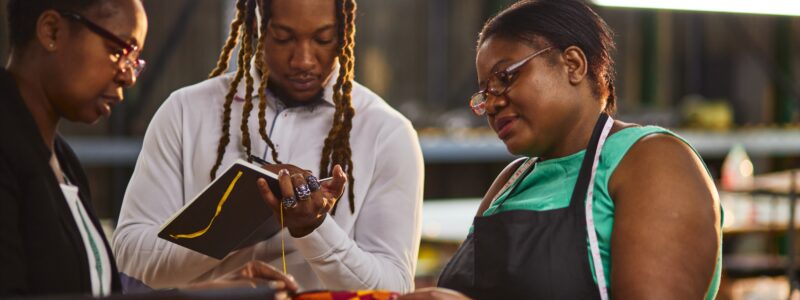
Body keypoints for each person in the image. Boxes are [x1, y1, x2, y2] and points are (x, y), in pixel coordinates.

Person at [401, 0, 723, 299]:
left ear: (573, 64)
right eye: (485, 93)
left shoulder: (651, 160)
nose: (493, 104)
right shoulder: (511, 182)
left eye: (505, 76)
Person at [112, 0, 424, 293]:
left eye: (323, 39)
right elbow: (130, 260)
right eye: (284, 37)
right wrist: (240, 211)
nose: (303, 60)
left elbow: (394, 289)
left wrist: (315, 229)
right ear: (257, 24)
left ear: (345, 32)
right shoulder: (185, 112)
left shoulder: (387, 133)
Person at [0, 0, 297, 297]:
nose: (128, 77)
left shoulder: (64, 163)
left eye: (135, 61)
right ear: (52, 31)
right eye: (119, 50)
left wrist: (212, 289)